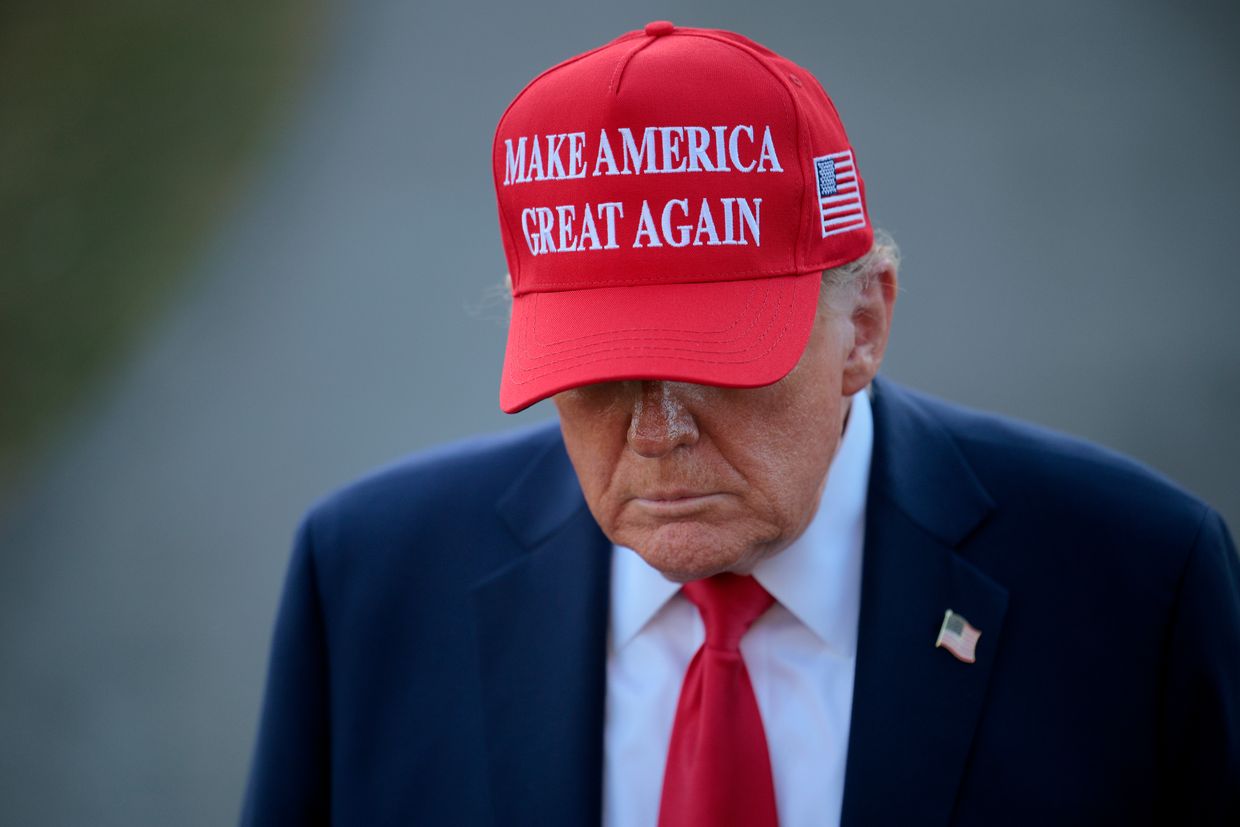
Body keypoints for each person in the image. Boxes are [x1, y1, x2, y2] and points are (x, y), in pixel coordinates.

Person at [241, 22, 1240, 827]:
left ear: (864, 322)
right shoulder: (367, 577)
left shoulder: (1136, 580)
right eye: (595, 374)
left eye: (716, 362)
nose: (655, 430)